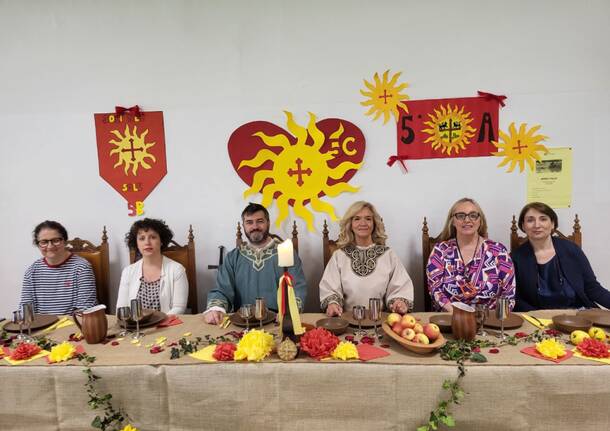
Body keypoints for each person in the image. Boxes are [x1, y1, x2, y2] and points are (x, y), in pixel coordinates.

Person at [203, 203, 307, 324]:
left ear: (268, 222)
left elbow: (298, 287)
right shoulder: (233, 257)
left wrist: (289, 312)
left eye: (260, 221)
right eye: (249, 222)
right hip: (242, 322)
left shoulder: (286, 253)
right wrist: (215, 309)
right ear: (243, 226)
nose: (255, 226)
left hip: (278, 321)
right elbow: (222, 290)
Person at [319, 201, 414, 316]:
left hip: (380, 322)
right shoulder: (339, 256)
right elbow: (330, 288)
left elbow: (400, 286)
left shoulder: (388, 255)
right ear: (350, 224)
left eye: (368, 219)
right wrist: (332, 304)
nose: (363, 223)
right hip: (346, 321)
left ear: (374, 223)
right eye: (357, 219)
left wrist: (399, 302)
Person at [513, 202, 610, 311]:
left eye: (543, 219)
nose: (537, 225)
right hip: (539, 318)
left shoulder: (572, 250)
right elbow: (515, 298)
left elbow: (592, 288)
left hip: (579, 314)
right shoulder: (516, 258)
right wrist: (538, 317)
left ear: (553, 224)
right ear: (523, 226)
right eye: (530, 220)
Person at [427, 198, 515, 312]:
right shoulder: (440, 251)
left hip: (490, 321)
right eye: (460, 215)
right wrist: (460, 316)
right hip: (451, 319)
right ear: (452, 221)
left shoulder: (498, 251)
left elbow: (509, 294)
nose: (467, 220)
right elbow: (435, 290)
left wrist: (490, 320)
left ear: (480, 220)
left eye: (473, 215)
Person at [19, 220, 97, 314]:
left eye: (56, 240)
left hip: (73, 326)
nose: (50, 246)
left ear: (64, 241)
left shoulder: (82, 268)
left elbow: (85, 309)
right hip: (40, 326)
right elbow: (25, 311)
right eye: (44, 242)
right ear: (38, 245)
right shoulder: (31, 271)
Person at [116, 218, 188, 314]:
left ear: (161, 241)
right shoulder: (128, 271)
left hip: (167, 325)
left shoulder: (177, 269)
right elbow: (121, 309)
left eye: (153, 237)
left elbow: (179, 308)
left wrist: (159, 324)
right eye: (142, 238)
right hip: (136, 326)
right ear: (136, 244)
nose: (147, 242)